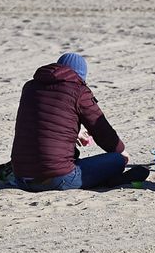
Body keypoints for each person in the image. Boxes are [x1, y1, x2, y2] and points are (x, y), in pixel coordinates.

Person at [9, 53, 138, 191]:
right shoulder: (78, 91)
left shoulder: (29, 87)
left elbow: (41, 122)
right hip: (57, 178)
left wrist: (75, 133)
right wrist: (121, 151)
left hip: (21, 177)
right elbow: (101, 130)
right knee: (117, 160)